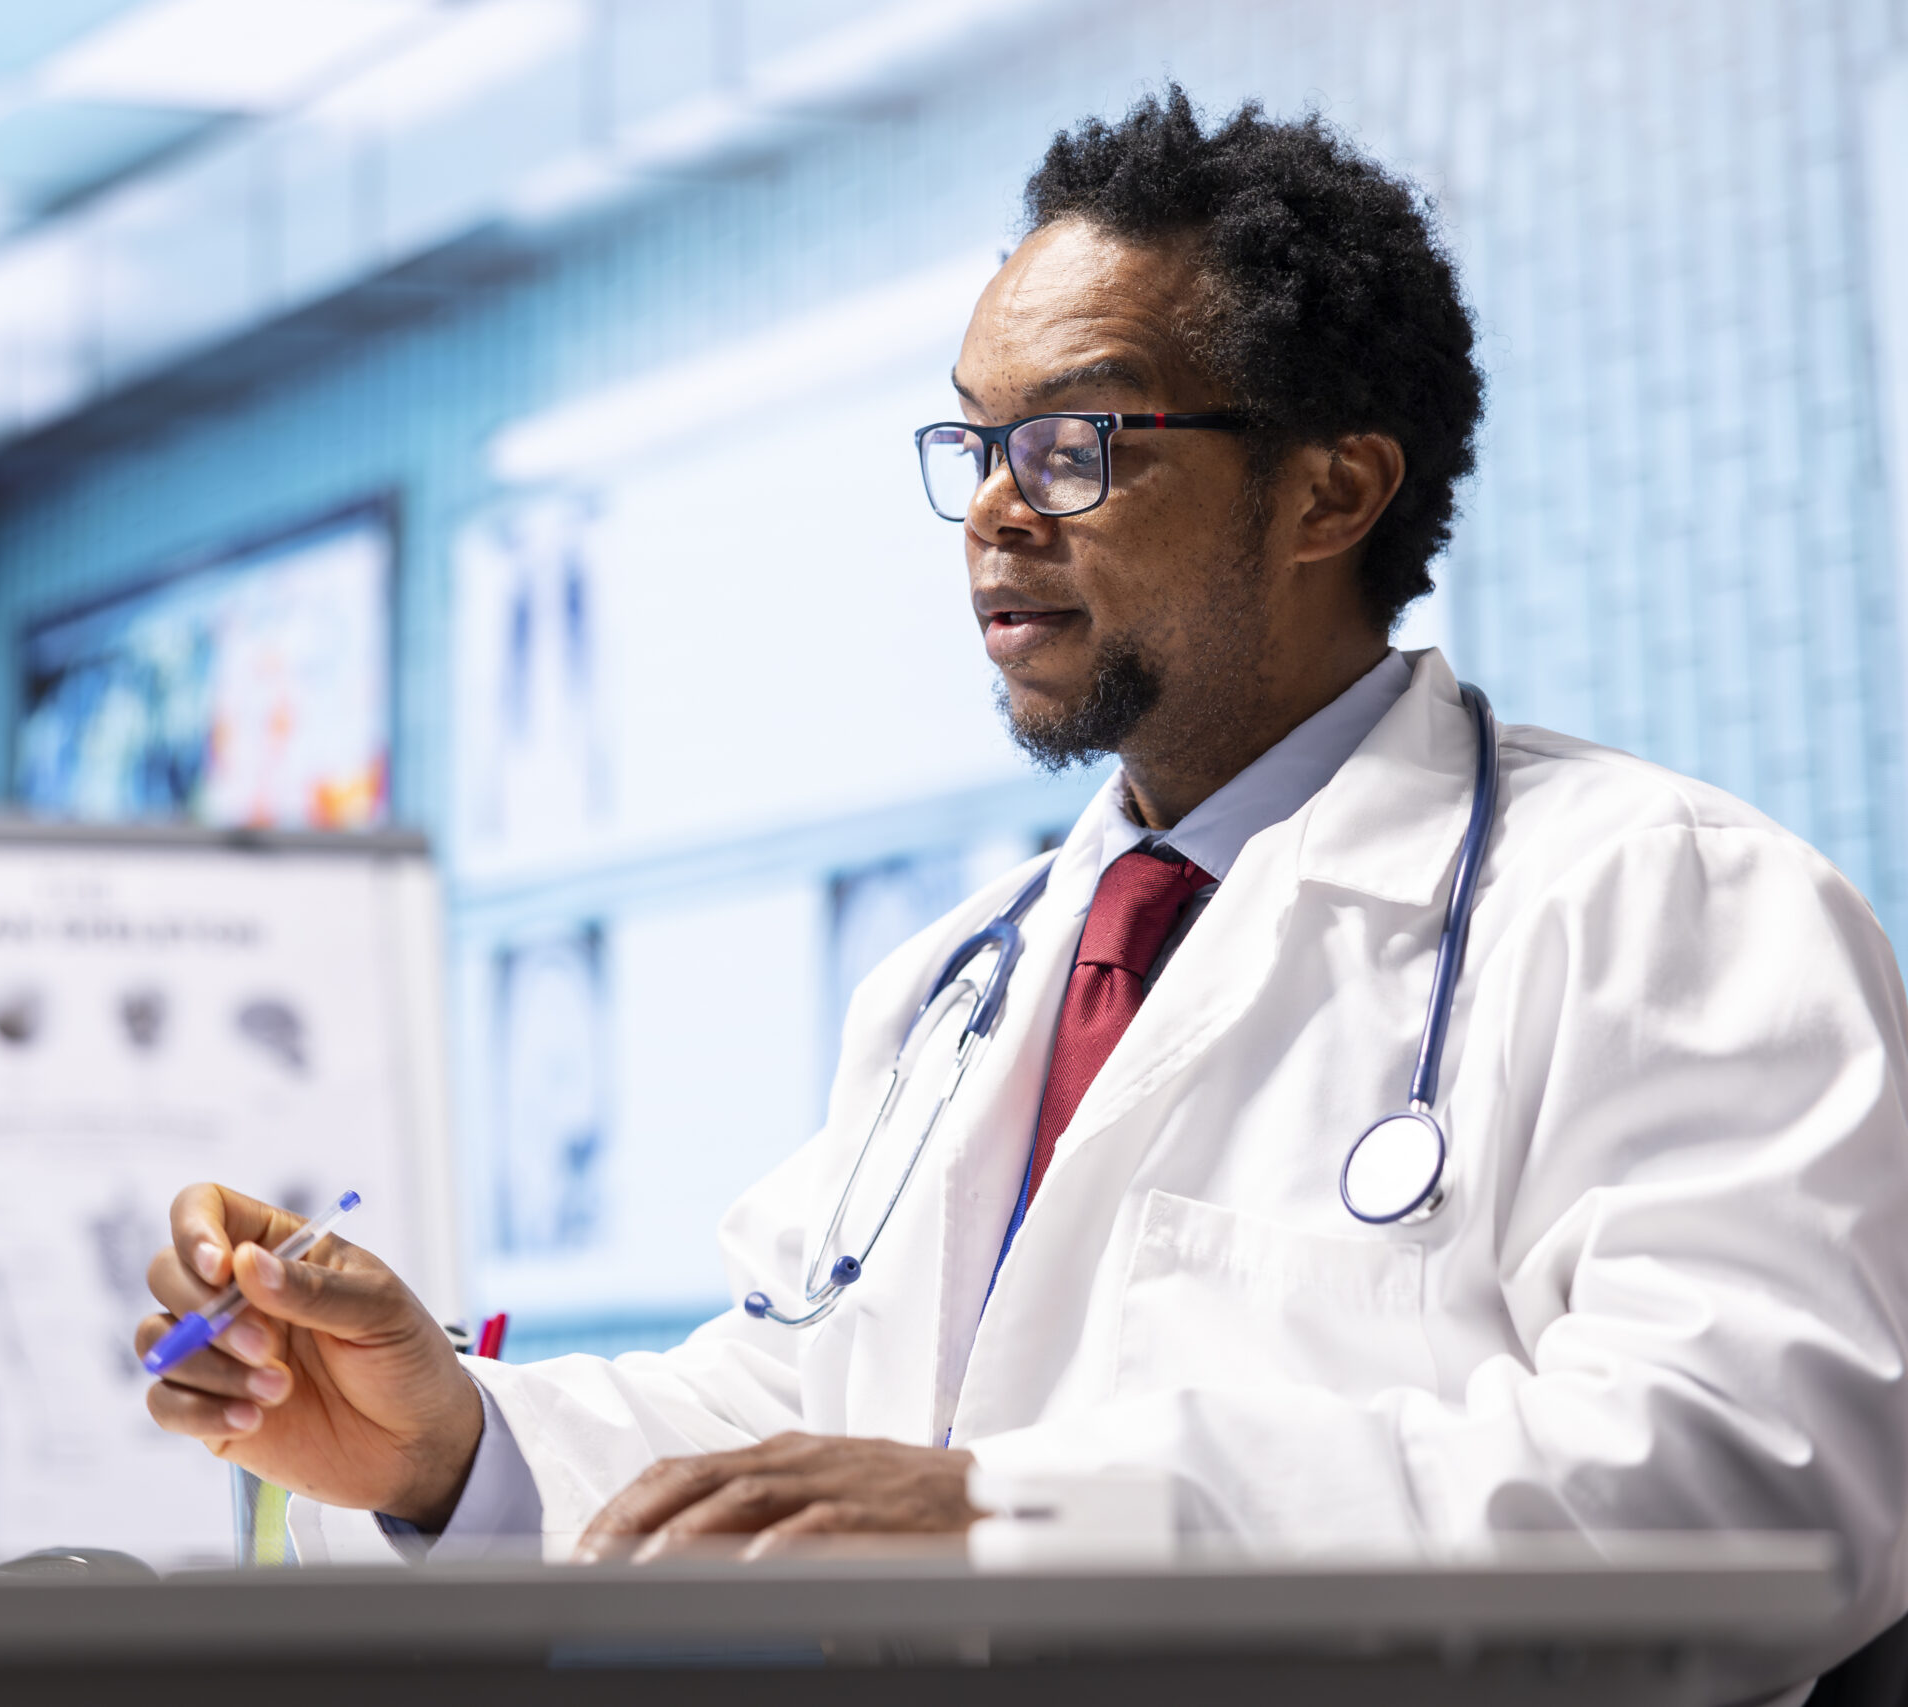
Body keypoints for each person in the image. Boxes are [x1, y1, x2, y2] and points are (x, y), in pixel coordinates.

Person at [138, 89, 1908, 1699]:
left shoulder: (1663, 907)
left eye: (1076, 443)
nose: (994, 511)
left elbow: (1758, 1494)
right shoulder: (955, 989)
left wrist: (1036, 1527)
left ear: (1332, 491)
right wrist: (450, 1444)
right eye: (976, 444)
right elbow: (802, 1418)